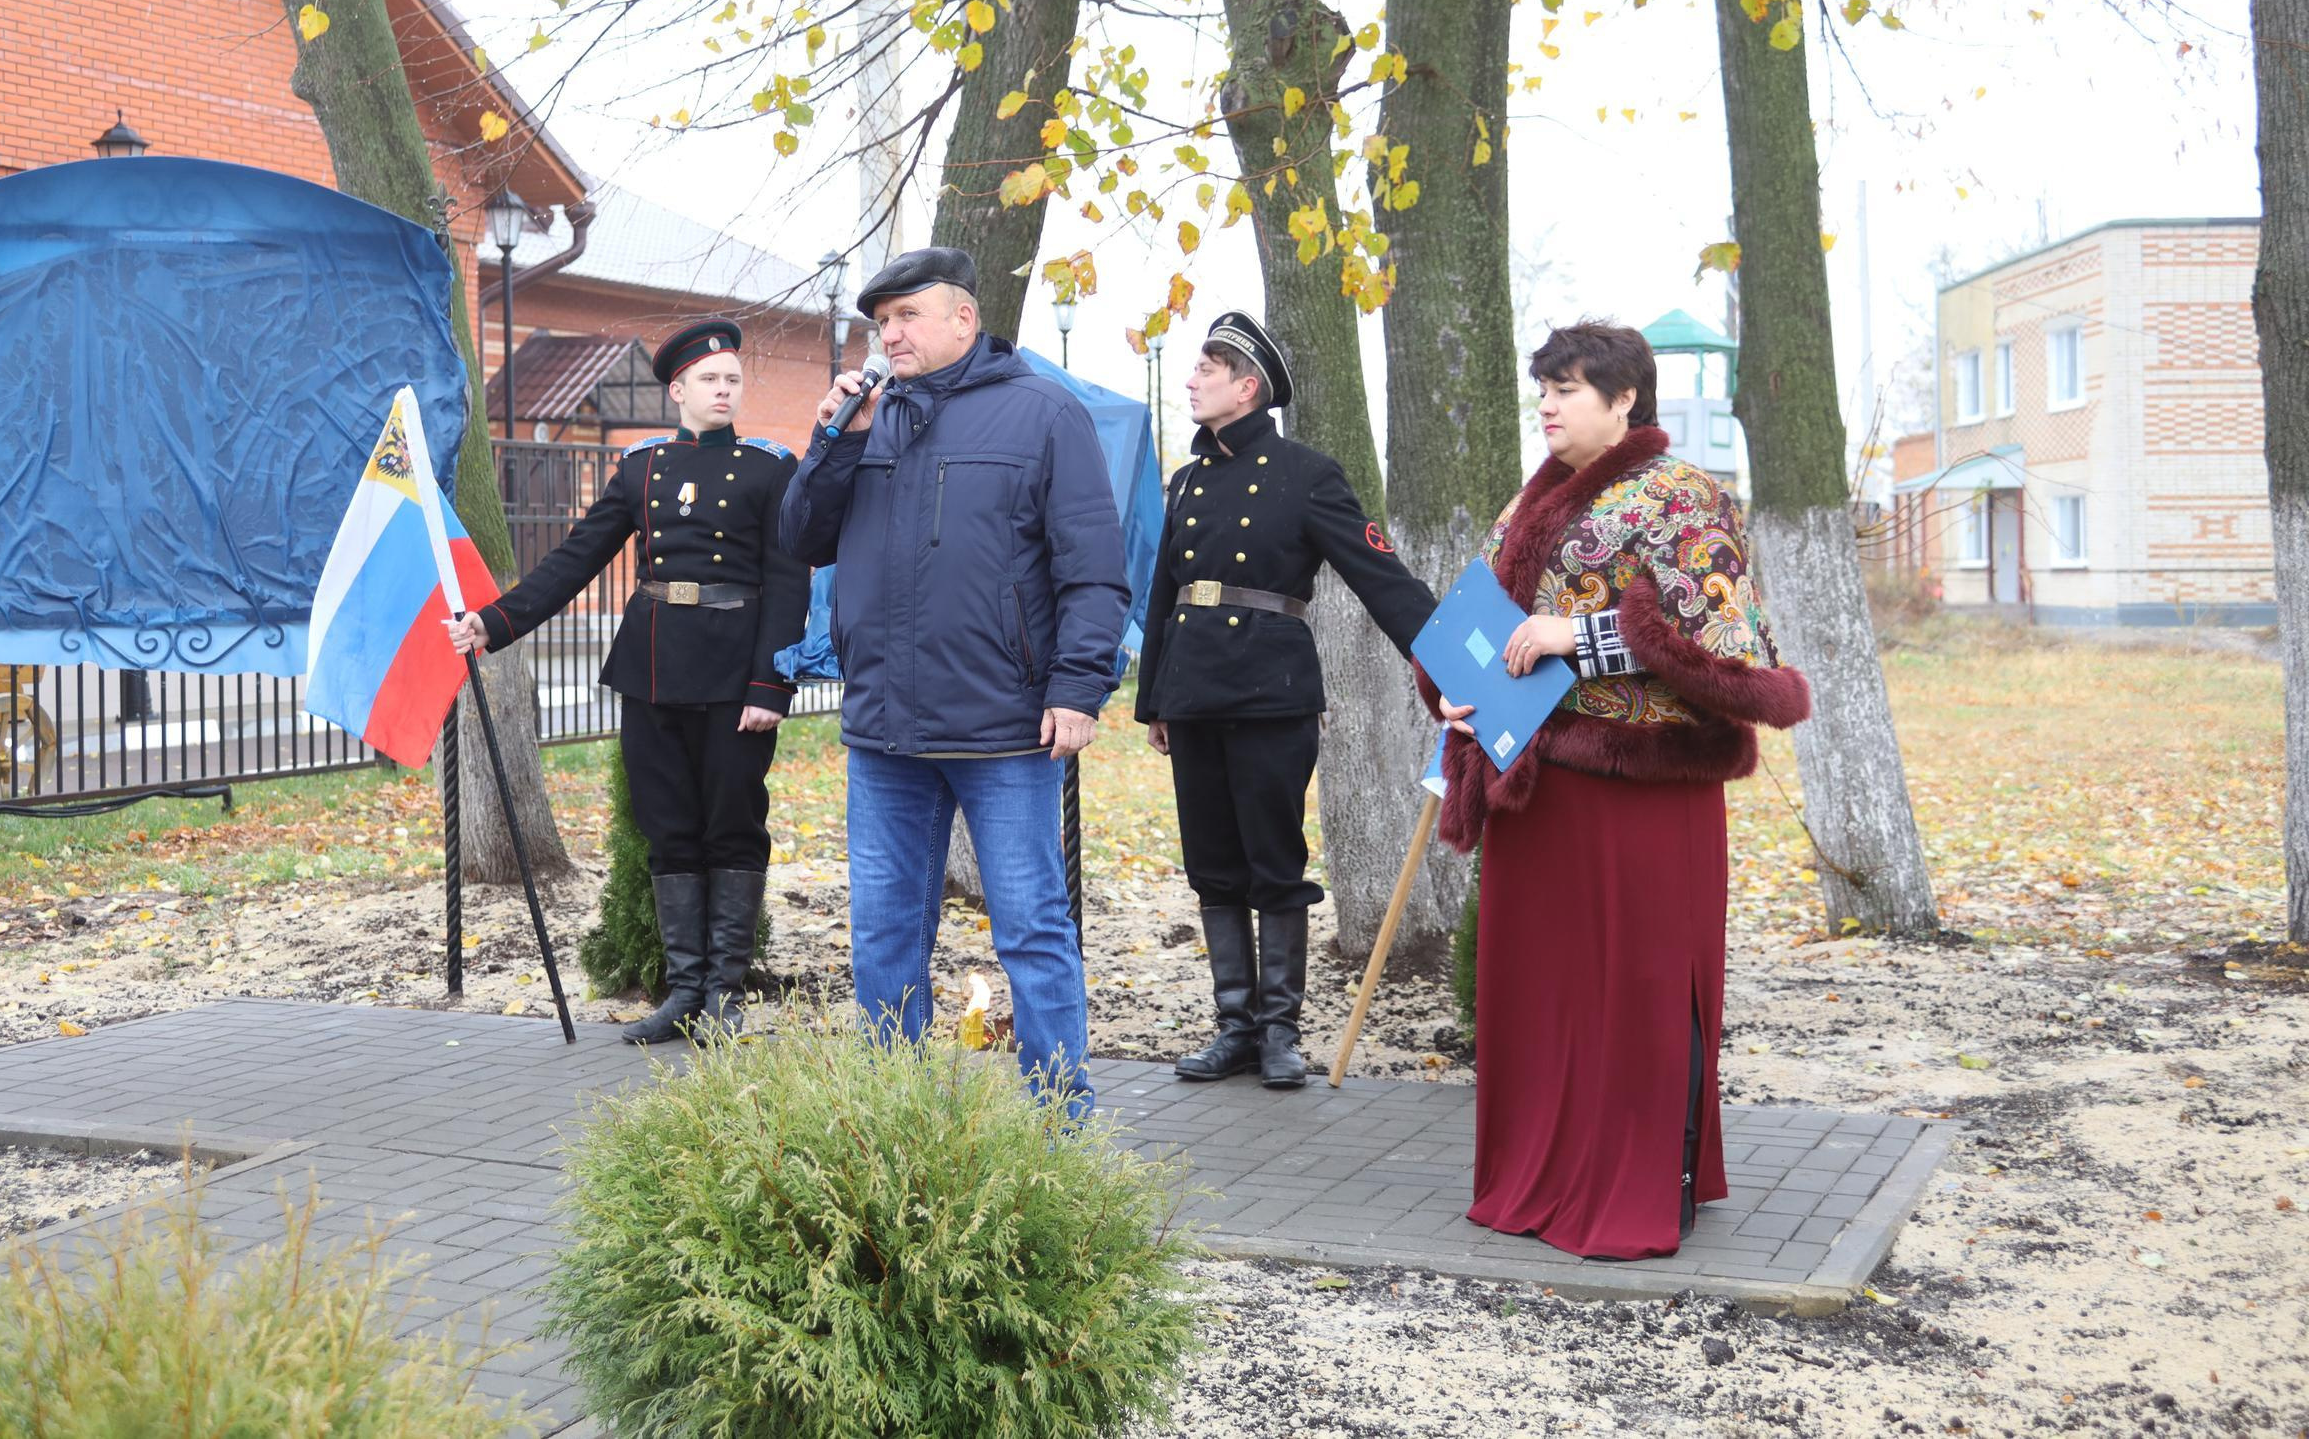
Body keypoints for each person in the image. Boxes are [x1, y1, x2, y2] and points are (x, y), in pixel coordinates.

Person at [1417, 320, 1811, 1260]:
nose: (1547, 405)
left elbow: (1726, 652)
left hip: (1640, 795)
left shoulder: (1684, 498)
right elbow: (1483, 621)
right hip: (1536, 791)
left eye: (1568, 387)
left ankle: (1637, 1182)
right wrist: (1456, 696)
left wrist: (1574, 638)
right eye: (1542, 388)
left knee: (1631, 993)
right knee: (1545, 996)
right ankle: (1540, 1176)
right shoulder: (1530, 500)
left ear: (1625, 398)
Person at [776, 247, 1128, 1117]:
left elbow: (1095, 571)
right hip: (886, 732)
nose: (889, 334)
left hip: (1005, 727)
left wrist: (1078, 689)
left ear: (963, 319)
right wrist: (831, 444)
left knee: (1033, 933)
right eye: (880, 321)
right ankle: (894, 1116)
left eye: (907, 316)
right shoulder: (870, 418)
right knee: (885, 938)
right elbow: (799, 539)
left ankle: (1060, 1124)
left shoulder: (1046, 414)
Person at [446, 319, 809, 1045]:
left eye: (732, 379)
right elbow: (576, 558)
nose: (724, 389)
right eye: (710, 379)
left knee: (733, 825)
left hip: (737, 670)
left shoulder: (771, 469)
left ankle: (725, 996)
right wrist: (496, 622)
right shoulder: (642, 468)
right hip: (653, 665)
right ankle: (684, 992)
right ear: (678, 390)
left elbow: (787, 582)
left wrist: (771, 684)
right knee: (668, 827)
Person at [1133, 312, 1439, 1089]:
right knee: (1212, 864)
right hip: (1196, 691)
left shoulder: (1306, 472)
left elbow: (1382, 576)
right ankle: (1232, 1026)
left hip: (1271, 690)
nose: (1193, 377)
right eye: (1197, 364)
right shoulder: (1189, 479)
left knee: (1275, 862)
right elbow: (1166, 592)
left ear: (1248, 386)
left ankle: (1279, 1030)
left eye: (1209, 366)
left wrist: (1445, 662)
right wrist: (1155, 700)